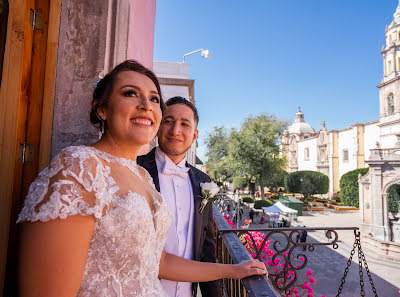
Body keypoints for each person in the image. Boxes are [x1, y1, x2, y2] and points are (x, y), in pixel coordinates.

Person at [17, 60, 267, 297]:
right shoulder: (79, 168)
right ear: (101, 108)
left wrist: (234, 270)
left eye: (154, 98)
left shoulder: (142, 177)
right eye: (130, 93)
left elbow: (159, 262)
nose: (146, 104)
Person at [137, 96, 220, 297]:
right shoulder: (134, 168)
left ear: (194, 135)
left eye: (184, 124)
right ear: (157, 126)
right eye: (168, 121)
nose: (176, 131)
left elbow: (206, 249)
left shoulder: (203, 181)